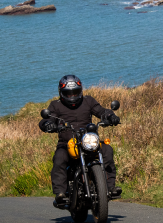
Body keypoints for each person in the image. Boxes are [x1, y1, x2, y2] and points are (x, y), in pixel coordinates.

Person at [38, 75, 122, 205]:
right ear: (61, 93)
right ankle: (60, 193)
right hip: (67, 143)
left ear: (81, 90)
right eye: (68, 93)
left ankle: (110, 187)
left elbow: (101, 111)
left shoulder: (88, 101)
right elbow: (46, 119)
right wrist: (48, 124)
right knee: (59, 158)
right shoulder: (56, 105)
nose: (72, 96)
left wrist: (111, 116)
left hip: (88, 141)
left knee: (107, 150)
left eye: (75, 93)